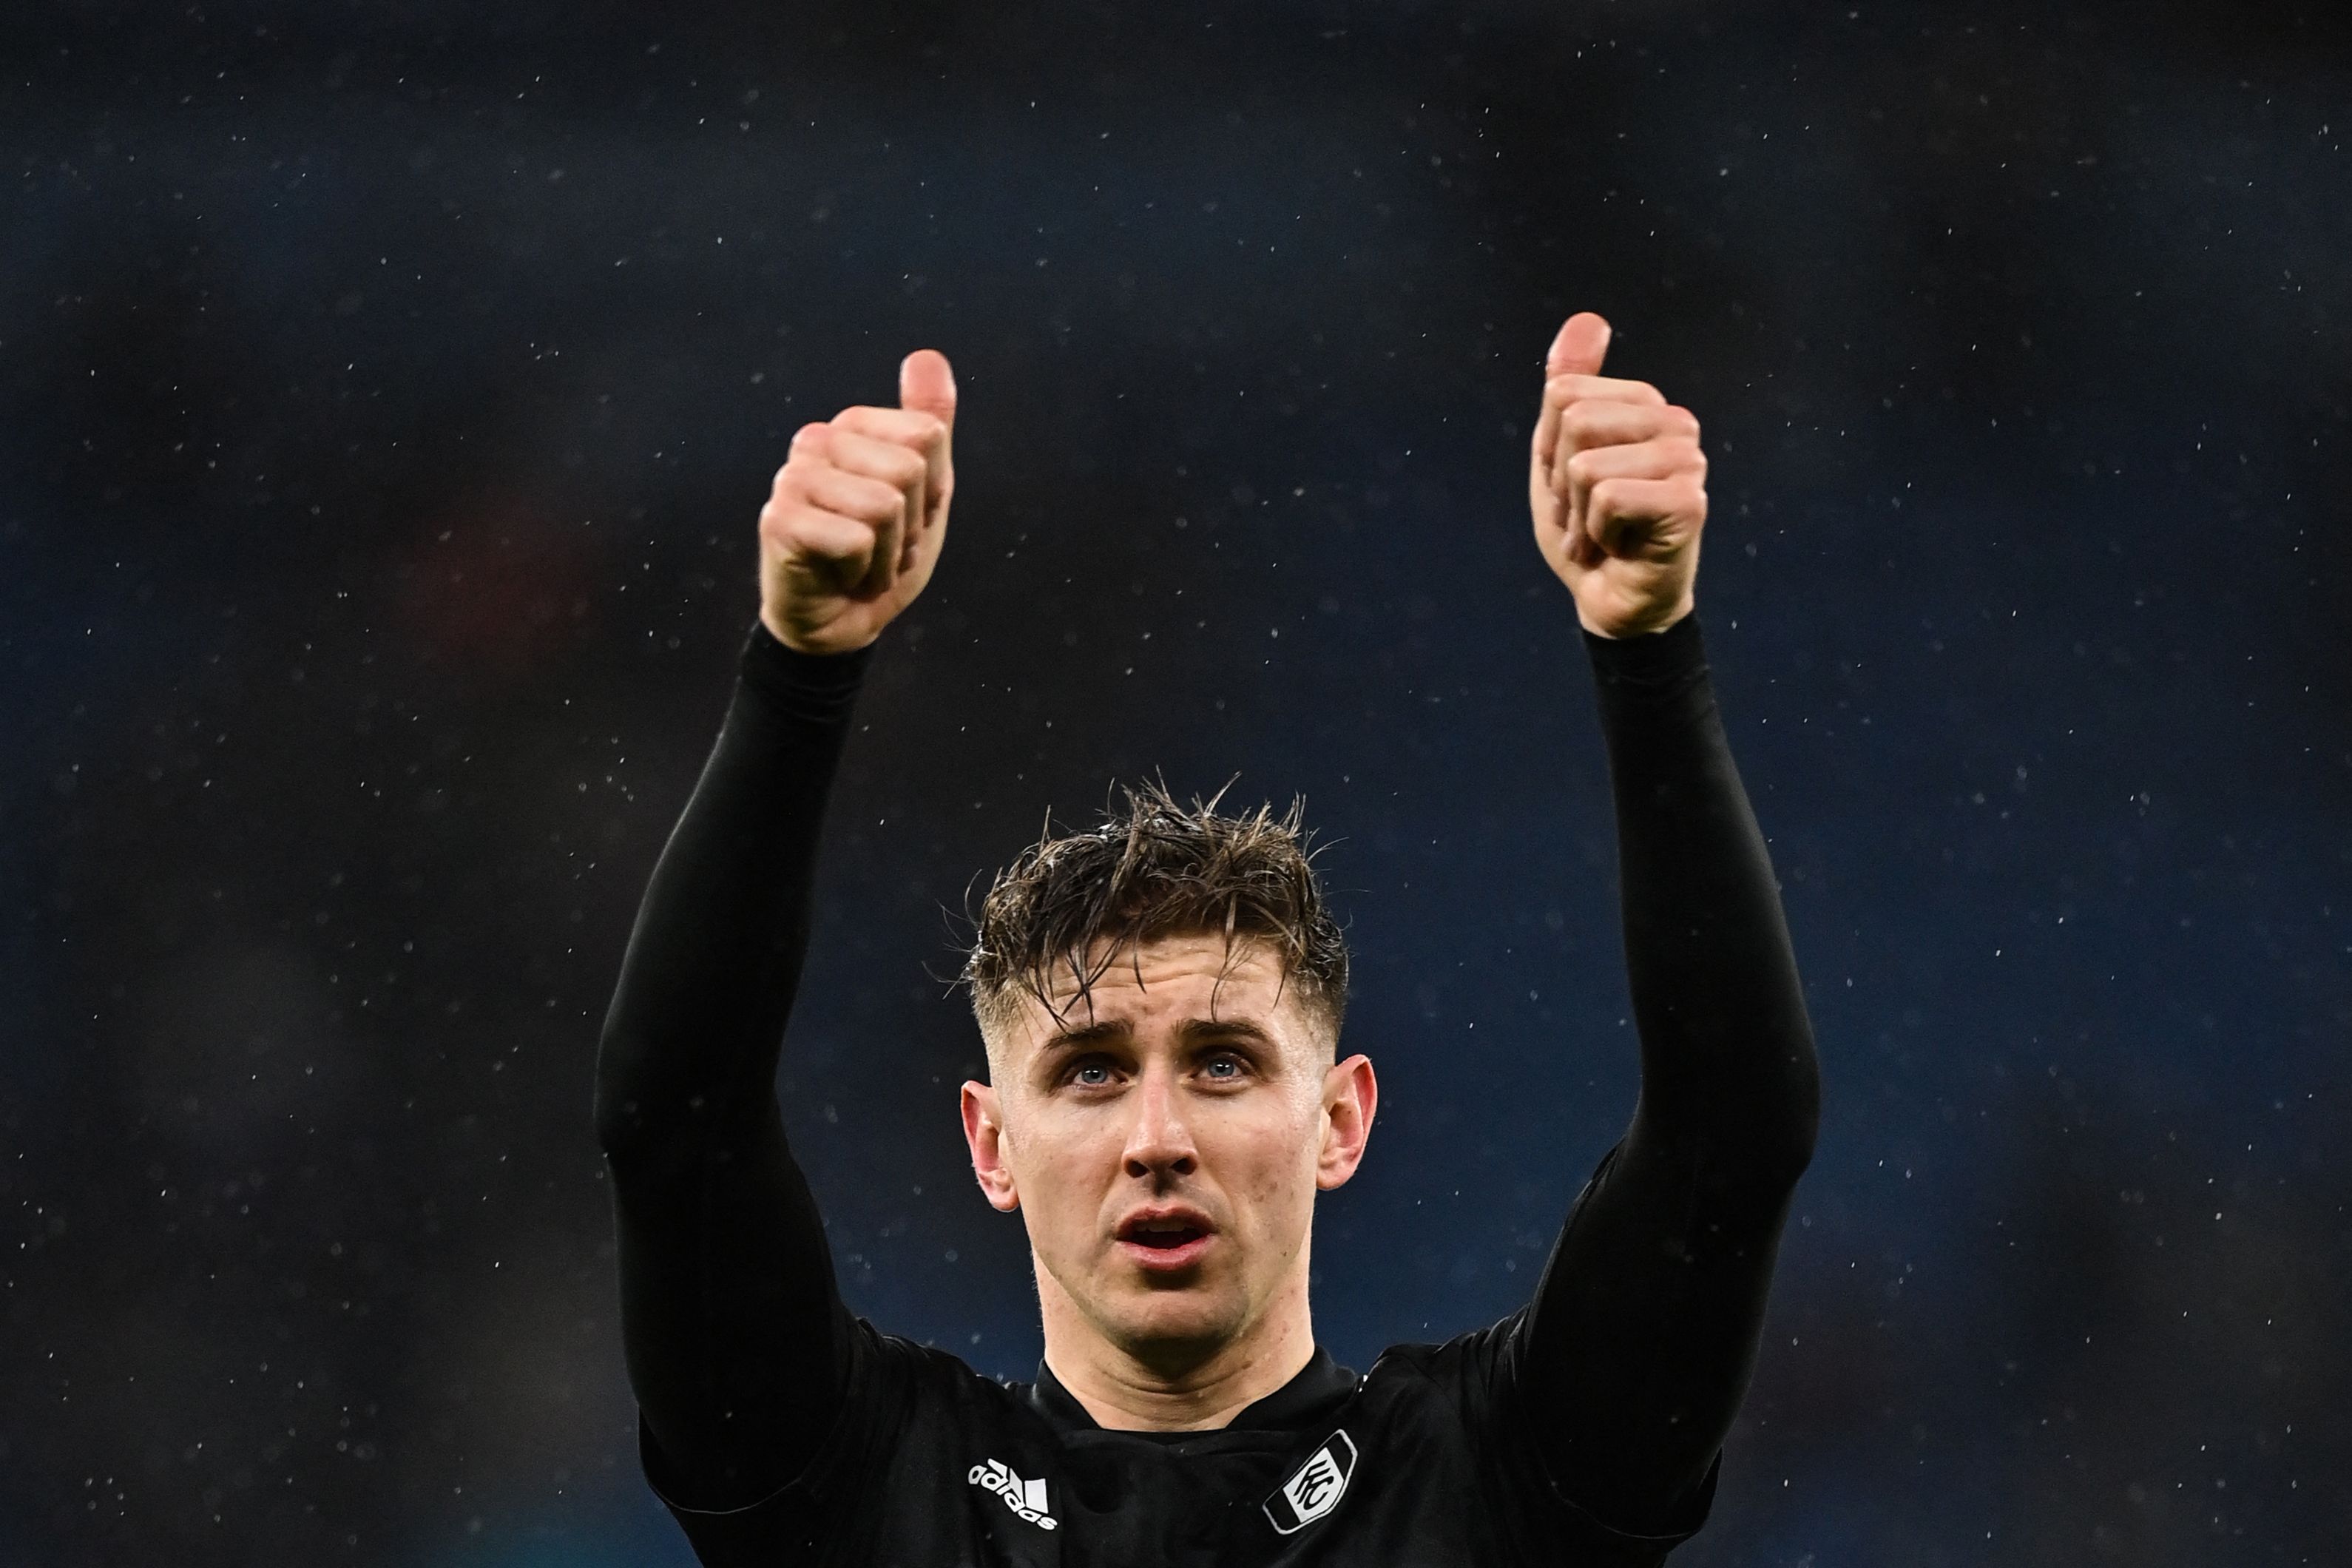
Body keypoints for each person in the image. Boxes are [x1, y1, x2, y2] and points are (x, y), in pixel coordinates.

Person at [593, 311, 1821, 1565]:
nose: (1158, 1141)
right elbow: (674, 1125)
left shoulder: (1497, 1475)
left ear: (1339, 1119)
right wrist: (799, 669)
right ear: (991, 1142)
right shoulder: (865, 1481)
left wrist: (1649, 648)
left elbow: (1734, 1131)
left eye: (1224, 1061)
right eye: (1089, 1071)